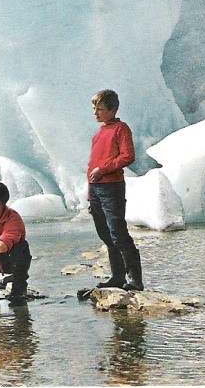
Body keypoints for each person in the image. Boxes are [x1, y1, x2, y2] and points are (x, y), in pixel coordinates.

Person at [88, 89, 144, 291]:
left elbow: (128, 156)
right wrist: (90, 196)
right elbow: (92, 164)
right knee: (104, 233)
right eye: (94, 109)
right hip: (96, 189)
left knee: (118, 232)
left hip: (112, 187)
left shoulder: (121, 129)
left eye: (100, 109)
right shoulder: (99, 133)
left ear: (113, 110)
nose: (96, 113)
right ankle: (117, 276)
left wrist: (103, 169)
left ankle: (135, 280)